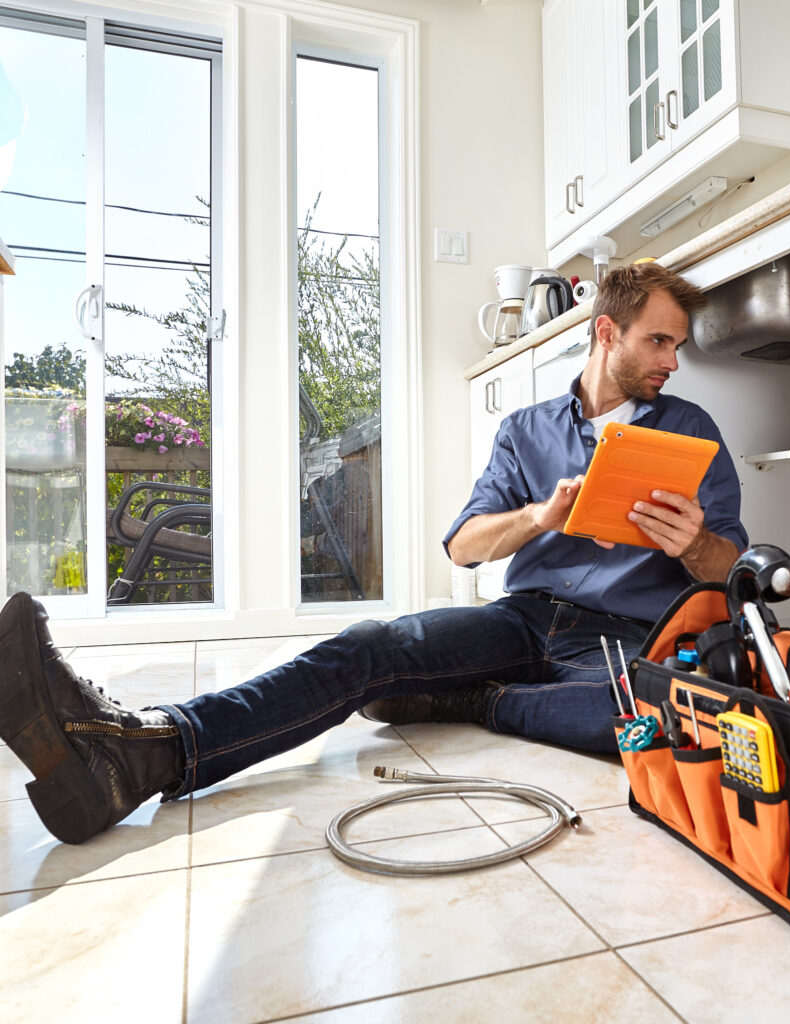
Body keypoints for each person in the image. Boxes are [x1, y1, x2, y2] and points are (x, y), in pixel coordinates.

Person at [0, 263, 747, 845]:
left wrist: (698, 545)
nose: (672, 361)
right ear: (607, 334)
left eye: (677, 345)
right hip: (521, 619)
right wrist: (538, 516)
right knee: (368, 647)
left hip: (623, 637)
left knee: (652, 709)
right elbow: (463, 546)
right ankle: (142, 754)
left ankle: (469, 700)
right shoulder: (525, 430)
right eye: (659, 341)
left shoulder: (692, 430)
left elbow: (730, 570)